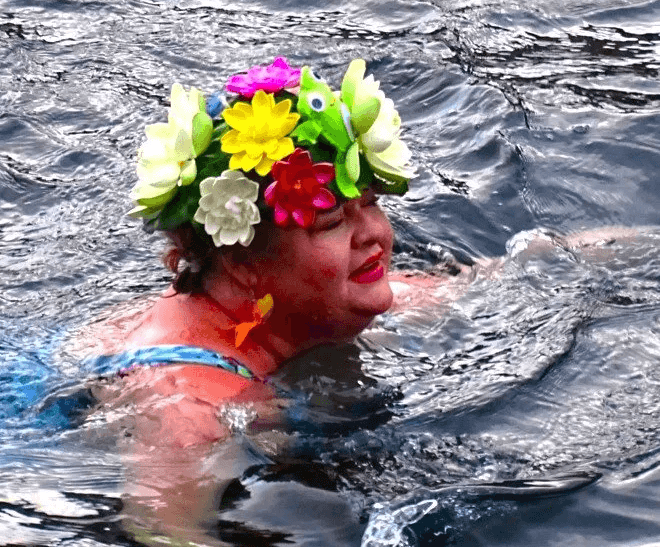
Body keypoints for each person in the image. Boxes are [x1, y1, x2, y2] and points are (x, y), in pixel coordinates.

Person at [73, 57, 525, 544]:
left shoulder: (285, 301)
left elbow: (489, 279)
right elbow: (159, 533)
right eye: (331, 222)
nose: (372, 235)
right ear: (243, 263)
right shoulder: (192, 414)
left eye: (370, 202)